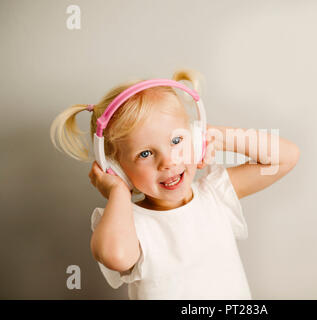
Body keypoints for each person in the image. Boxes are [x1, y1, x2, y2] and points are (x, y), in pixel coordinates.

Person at [49, 68, 300, 299]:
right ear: (117, 170)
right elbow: (116, 256)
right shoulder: (129, 223)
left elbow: (286, 157)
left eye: (177, 140)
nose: (168, 161)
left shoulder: (215, 195)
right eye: (145, 153)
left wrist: (215, 136)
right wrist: (117, 192)